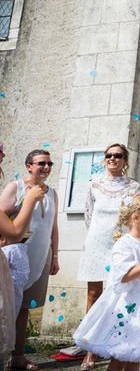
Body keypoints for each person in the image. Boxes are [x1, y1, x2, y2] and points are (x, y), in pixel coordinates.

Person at [73, 192, 140, 371]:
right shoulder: (124, 244)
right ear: (136, 217)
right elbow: (125, 275)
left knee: (136, 355)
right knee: (120, 356)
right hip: (127, 309)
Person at [76, 143, 140, 370]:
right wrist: (97, 235)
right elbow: (88, 214)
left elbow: (134, 215)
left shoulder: (133, 186)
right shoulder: (94, 184)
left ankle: (116, 346)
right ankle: (90, 352)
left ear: (125, 160)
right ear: (105, 160)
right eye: (109, 156)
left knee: (119, 295)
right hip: (96, 241)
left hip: (120, 244)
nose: (113, 159)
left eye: (118, 156)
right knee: (94, 295)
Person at [0, 149, 60, 371]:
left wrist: (54, 255)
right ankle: (4, 355)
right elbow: (3, 214)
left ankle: (18, 356)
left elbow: (53, 226)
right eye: (41, 163)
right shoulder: (15, 187)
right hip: (15, 255)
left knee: (25, 307)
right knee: (7, 307)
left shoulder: (52, 192)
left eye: (49, 163)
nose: (46, 167)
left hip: (40, 255)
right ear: (29, 166)